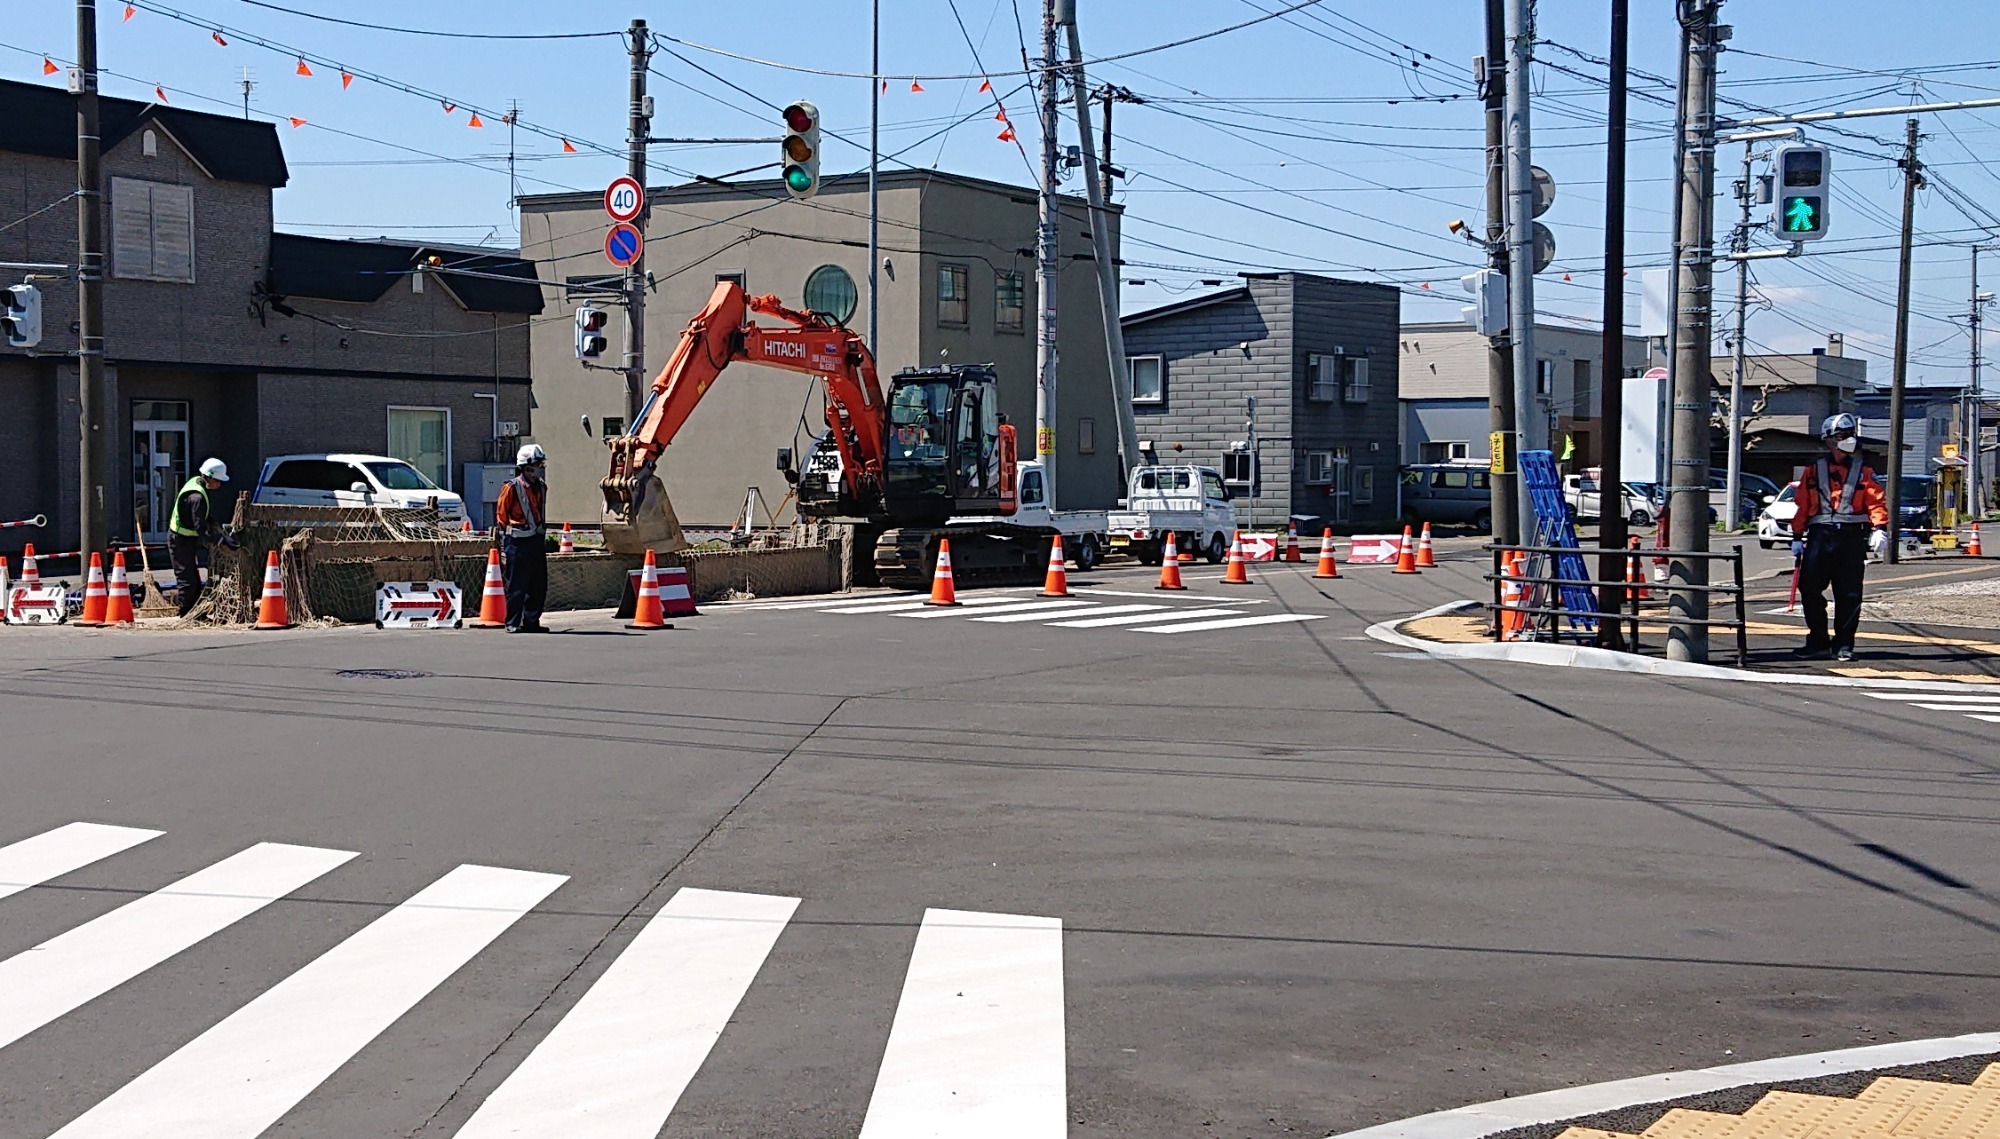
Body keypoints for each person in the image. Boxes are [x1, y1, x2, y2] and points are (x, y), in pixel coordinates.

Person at [1790, 413, 1890, 662]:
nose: (1845, 441)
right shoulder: (1814, 470)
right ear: (1829, 441)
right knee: (1809, 588)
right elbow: (1802, 505)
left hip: (1851, 538)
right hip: (1819, 537)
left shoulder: (1864, 470)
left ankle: (1844, 644)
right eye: (1839, 437)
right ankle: (1818, 640)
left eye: (1848, 436)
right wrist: (1796, 535)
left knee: (1849, 593)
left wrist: (1880, 528)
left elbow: (1876, 501)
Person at [168, 457, 237, 617]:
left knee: (193, 578)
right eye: (218, 481)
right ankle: (186, 614)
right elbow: (201, 527)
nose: (219, 485)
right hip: (180, 539)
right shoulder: (197, 497)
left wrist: (221, 532)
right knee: (187, 579)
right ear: (210, 477)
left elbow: (206, 517)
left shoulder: (197, 484)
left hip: (185, 538)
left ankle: (195, 613)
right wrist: (219, 541)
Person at [494, 443, 549, 633]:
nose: (541, 469)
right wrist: (504, 538)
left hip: (536, 541)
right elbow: (501, 514)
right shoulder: (511, 488)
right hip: (517, 543)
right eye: (538, 465)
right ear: (526, 467)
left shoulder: (541, 487)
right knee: (518, 584)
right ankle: (512, 622)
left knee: (538, 584)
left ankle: (532, 622)